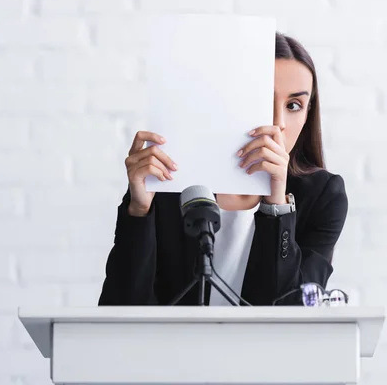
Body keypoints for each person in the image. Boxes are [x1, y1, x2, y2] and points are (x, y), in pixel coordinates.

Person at [97, 32, 348, 307]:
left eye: (294, 105)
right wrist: (139, 211)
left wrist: (277, 204)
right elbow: (119, 309)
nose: (278, 123)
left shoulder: (324, 195)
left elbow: (292, 312)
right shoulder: (169, 181)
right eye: (262, 101)